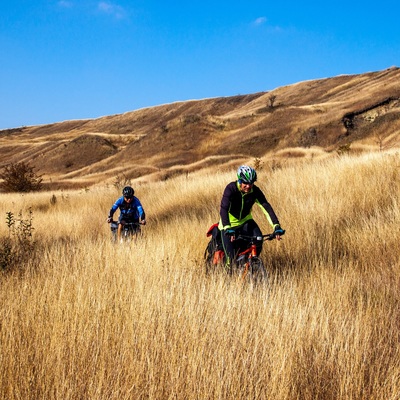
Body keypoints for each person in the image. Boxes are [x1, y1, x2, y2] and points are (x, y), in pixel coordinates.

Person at [218, 165, 285, 269]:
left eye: (251, 183)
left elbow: (266, 207)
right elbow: (224, 208)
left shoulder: (255, 191)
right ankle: (228, 277)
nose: (248, 186)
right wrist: (227, 227)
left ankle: (250, 265)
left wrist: (276, 226)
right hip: (229, 225)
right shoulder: (231, 189)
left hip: (246, 221)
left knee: (258, 240)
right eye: (245, 183)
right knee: (230, 261)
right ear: (239, 181)